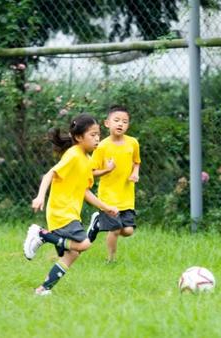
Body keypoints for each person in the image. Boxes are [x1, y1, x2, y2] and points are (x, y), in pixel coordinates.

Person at [23, 114, 118, 296]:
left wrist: (105, 207)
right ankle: (41, 234)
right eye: (92, 134)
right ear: (79, 137)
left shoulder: (86, 159)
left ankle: (43, 289)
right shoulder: (74, 155)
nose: (97, 138)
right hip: (61, 211)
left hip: (70, 212)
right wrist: (40, 196)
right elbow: (50, 174)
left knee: (72, 254)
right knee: (83, 245)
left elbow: (85, 191)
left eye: (98, 134)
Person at [87, 105, 141, 262]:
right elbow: (92, 171)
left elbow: (136, 162)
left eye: (124, 121)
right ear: (107, 123)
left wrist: (135, 173)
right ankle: (110, 259)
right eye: (116, 120)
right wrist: (107, 170)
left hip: (127, 195)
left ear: (128, 125)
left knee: (128, 230)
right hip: (108, 197)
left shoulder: (133, 143)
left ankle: (97, 222)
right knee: (116, 229)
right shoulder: (102, 146)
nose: (120, 124)